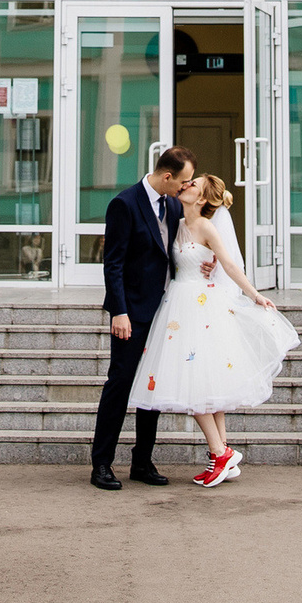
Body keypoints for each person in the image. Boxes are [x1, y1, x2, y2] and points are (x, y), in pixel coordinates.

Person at [137, 172, 300, 488]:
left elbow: (228, 264)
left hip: (199, 307)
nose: (186, 185)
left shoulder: (207, 226)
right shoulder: (176, 222)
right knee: (205, 383)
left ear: (200, 197)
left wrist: (255, 294)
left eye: (193, 184)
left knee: (193, 382)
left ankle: (220, 452)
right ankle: (220, 458)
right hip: (178, 304)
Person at [91, 145, 194, 491]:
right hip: (131, 313)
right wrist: (118, 311)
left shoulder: (174, 204)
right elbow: (113, 263)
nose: (186, 187)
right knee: (119, 385)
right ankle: (101, 464)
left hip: (165, 311)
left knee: (153, 386)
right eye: (183, 181)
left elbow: (176, 251)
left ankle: (141, 461)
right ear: (167, 177)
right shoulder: (125, 203)